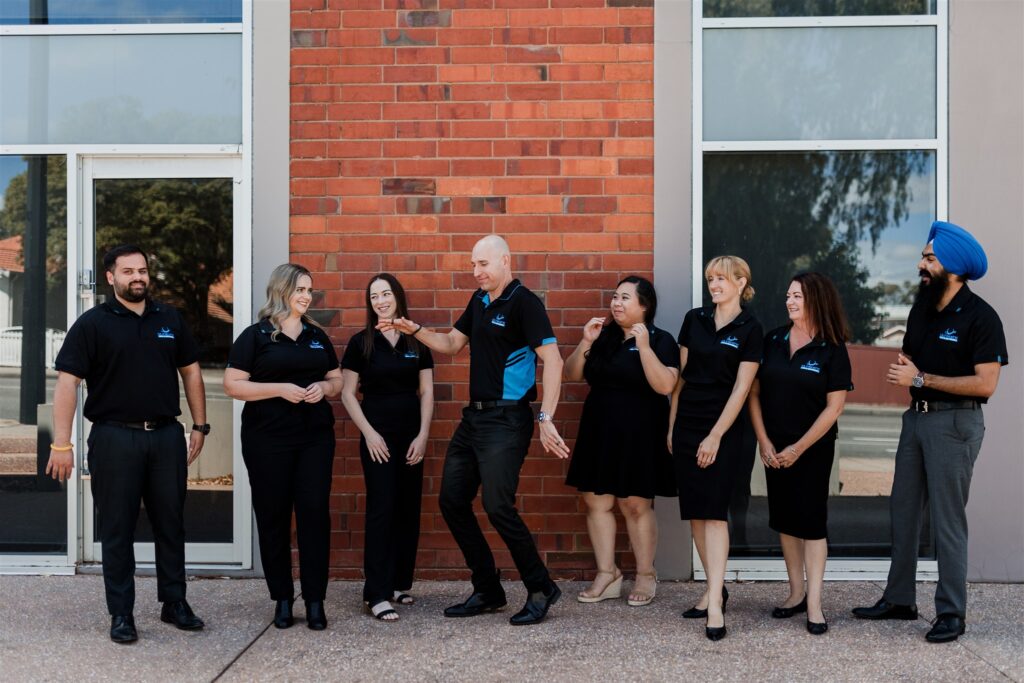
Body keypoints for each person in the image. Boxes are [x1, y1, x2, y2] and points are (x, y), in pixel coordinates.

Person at [378, 235, 571, 626]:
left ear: (505, 260)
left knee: (498, 506)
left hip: (507, 419)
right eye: (472, 265)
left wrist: (546, 418)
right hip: (474, 419)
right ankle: (488, 588)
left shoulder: (524, 303)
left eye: (483, 264)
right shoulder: (479, 301)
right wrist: (415, 329)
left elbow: (553, 360)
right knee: (452, 500)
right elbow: (452, 343)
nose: (476, 272)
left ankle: (540, 587)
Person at [852, 221, 1007, 643]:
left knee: (947, 519)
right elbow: (911, 364)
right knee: (903, 511)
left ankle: (951, 613)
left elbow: (986, 384)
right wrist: (912, 375)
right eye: (923, 256)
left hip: (955, 423)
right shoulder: (921, 309)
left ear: (953, 267)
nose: (921, 264)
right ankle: (900, 599)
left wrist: (921, 379)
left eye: (929, 258)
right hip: (916, 420)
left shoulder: (981, 317)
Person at [45, 244, 209, 643]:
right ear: (110, 277)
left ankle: (175, 602)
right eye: (128, 271)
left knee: (171, 523)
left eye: (142, 270)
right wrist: (61, 444)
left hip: (166, 436)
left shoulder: (169, 318)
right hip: (114, 437)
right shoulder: (92, 324)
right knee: (117, 528)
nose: (138, 277)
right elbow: (67, 383)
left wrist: (200, 425)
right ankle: (122, 613)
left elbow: (191, 372)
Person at [223, 264, 342, 631]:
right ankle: (283, 599)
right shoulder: (256, 336)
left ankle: (316, 600)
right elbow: (232, 384)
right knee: (273, 516)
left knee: (314, 515)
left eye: (309, 289)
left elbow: (336, 379)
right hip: (267, 441)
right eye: (299, 289)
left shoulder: (316, 336)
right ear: (281, 290)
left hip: (314, 439)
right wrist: (279, 389)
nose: (306, 296)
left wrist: (324, 388)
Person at [748, 272, 853, 636]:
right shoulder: (773, 340)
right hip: (774, 449)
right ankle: (795, 593)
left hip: (812, 449)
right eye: (788, 295)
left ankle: (815, 605)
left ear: (816, 300)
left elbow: (834, 408)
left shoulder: (832, 347)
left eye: (797, 296)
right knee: (785, 520)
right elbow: (754, 393)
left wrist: (798, 448)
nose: (789, 301)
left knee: (811, 523)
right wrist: (764, 441)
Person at [564, 276, 678, 606]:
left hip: (640, 432)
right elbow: (573, 374)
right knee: (596, 501)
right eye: (615, 297)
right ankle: (607, 574)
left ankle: (645, 574)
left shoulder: (660, 339)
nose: (616, 303)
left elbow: (665, 386)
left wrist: (644, 348)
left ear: (645, 305)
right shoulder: (604, 336)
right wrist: (586, 341)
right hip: (599, 428)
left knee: (635, 504)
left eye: (625, 298)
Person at [669, 255, 762, 641]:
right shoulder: (694, 319)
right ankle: (713, 589)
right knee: (695, 511)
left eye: (722, 279)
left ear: (741, 283)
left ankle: (716, 608)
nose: (714, 285)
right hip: (688, 421)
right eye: (710, 279)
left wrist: (715, 435)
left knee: (714, 513)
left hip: (725, 426)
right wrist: (672, 426)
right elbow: (681, 380)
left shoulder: (750, 328)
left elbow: (742, 389)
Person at [341, 274, 434, 622]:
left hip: (410, 434)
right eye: (374, 296)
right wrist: (369, 433)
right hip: (377, 437)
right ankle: (376, 594)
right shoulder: (361, 343)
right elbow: (347, 393)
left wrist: (423, 435)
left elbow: (427, 391)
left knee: (408, 508)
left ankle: (397, 584)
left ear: (398, 297)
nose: (380, 301)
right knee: (382, 508)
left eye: (386, 294)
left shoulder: (417, 341)